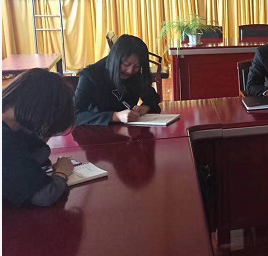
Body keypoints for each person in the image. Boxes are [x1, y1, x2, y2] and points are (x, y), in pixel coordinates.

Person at [3, 69, 75, 207]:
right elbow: (44, 196)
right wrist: (62, 172)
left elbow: (41, 151)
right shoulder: (5, 141)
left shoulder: (15, 125)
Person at [74, 34, 161, 125]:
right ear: (116, 59)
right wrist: (114, 116)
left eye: (137, 66)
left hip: (128, 130)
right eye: (126, 64)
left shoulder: (135, 75)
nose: (130, 71)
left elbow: (153, 97)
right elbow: (75, 116)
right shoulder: (90, 76)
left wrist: (145, 107)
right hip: (97, 131)